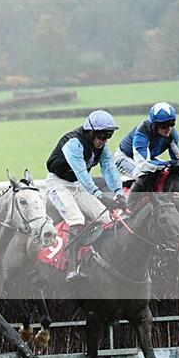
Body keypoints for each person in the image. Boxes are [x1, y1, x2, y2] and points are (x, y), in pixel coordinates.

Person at [45, 110, 127, 282]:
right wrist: (100, 195)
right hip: (57, 184)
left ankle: (102, 260)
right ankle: (72, 268)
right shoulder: (73, 143)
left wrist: (119, 194)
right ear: (91, 132)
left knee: (107, 220)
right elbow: (82, 173)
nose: (104, 140)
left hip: (76, 186)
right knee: (76, 219)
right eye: (102, 136)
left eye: (108, 136)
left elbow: (110, 169)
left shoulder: (102, 147)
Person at [114, 102, 179, 179]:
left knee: (167, 172)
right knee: (143, 176)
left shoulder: (171, 133)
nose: (169, 128)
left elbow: (178, 159)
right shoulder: (143, 132)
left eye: (172, 123)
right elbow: (143, 165)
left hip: (146, 158)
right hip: (124, 157)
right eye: (165, 125)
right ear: (155, 125)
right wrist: (169, 164)